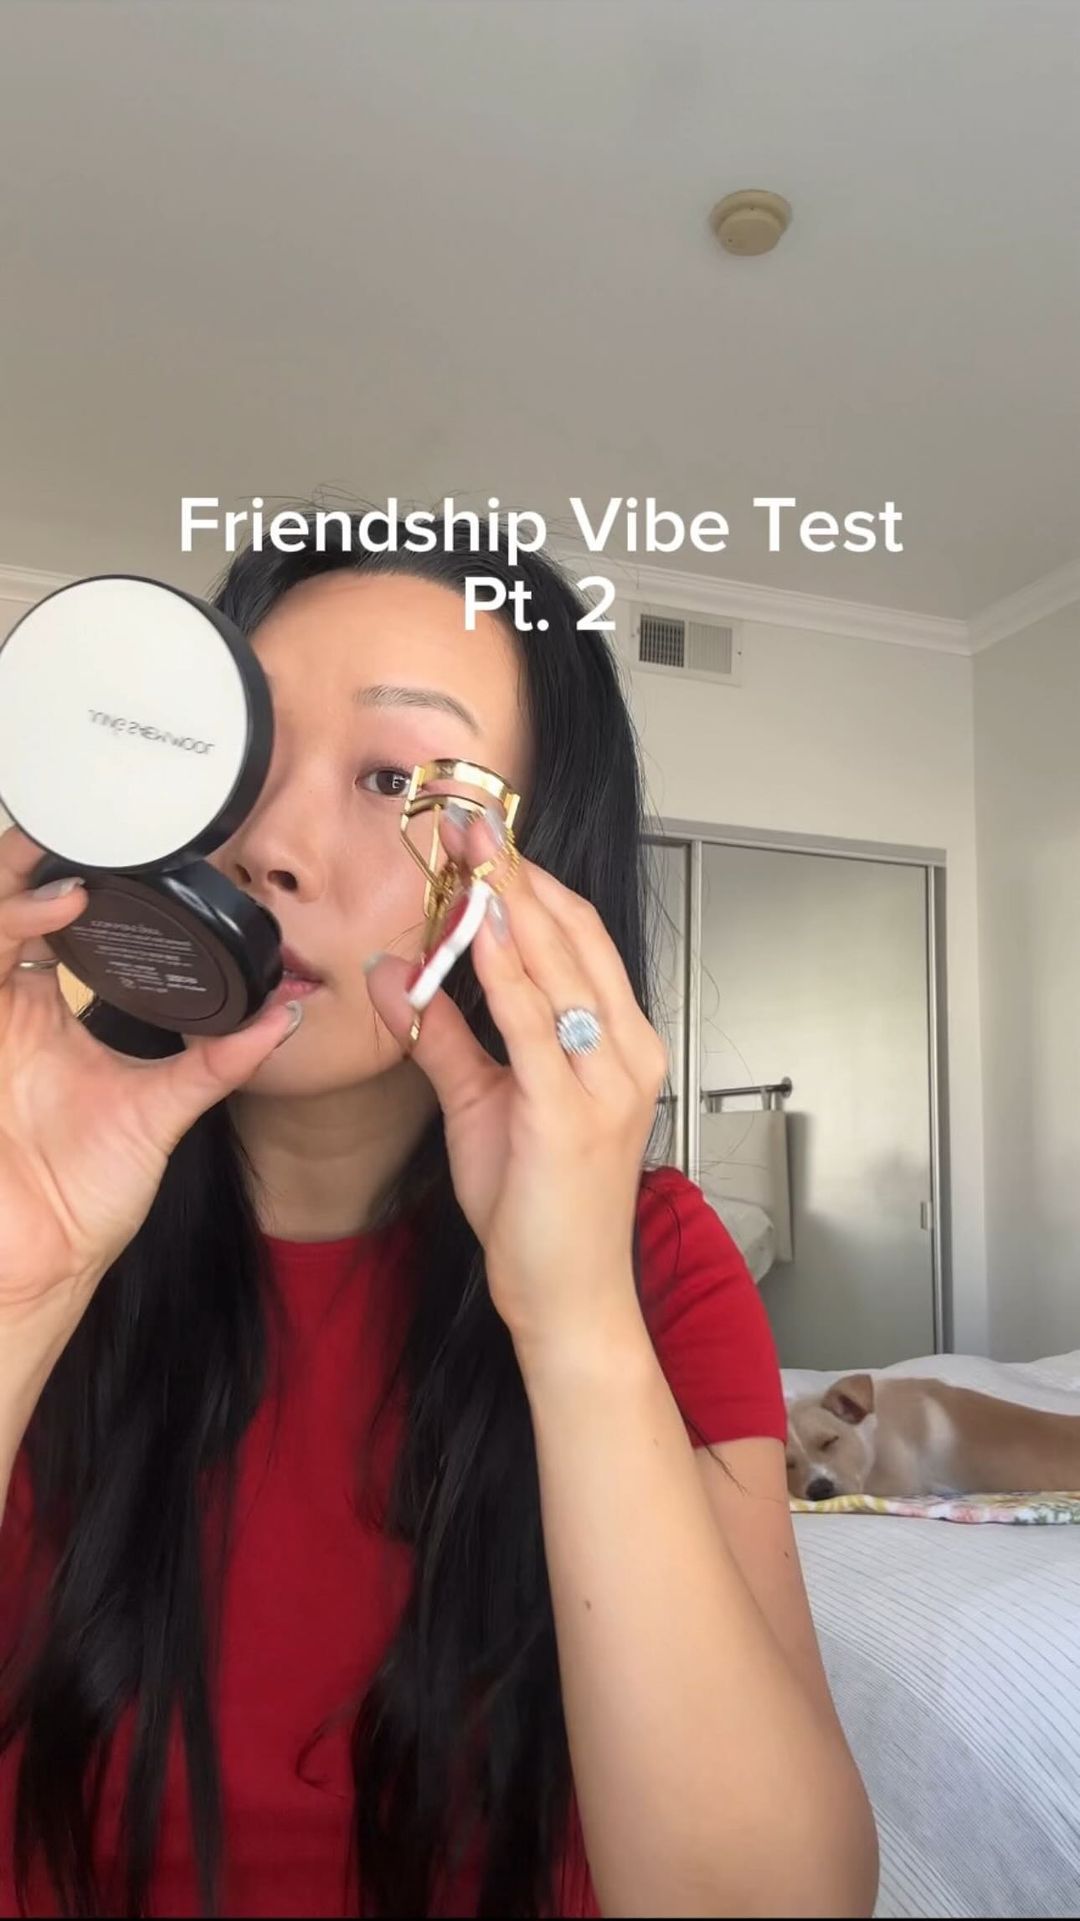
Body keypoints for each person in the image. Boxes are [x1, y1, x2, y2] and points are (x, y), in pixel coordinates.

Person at [0, 518, 877, 1918]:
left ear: (527, 876)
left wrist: (573, 1317)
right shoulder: (27, 1195)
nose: (270, 845)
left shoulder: (654, 1258)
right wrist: (23, 1288)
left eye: (393, 780)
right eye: (241, 758)